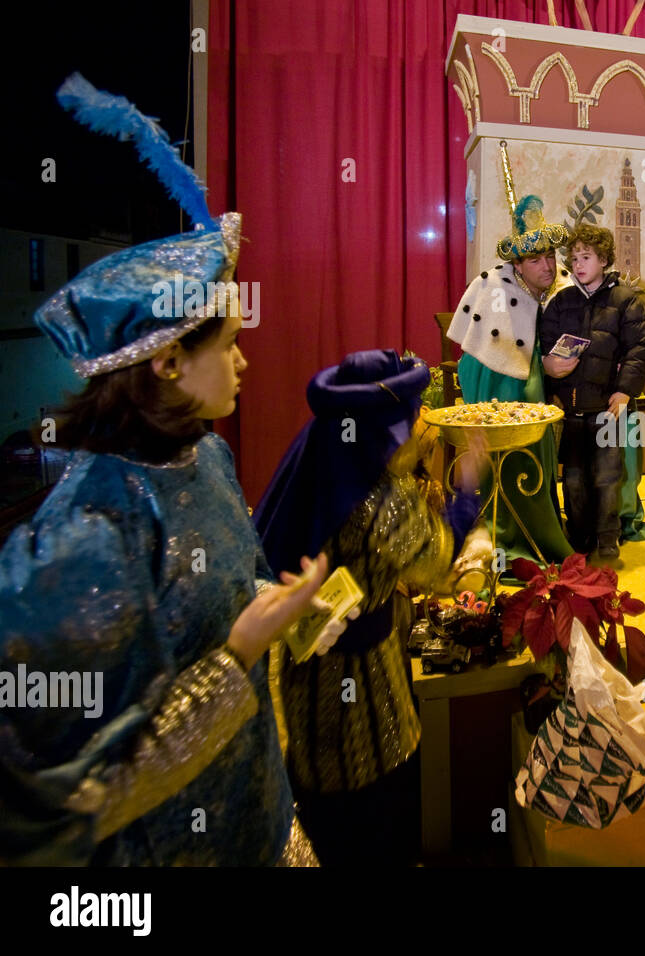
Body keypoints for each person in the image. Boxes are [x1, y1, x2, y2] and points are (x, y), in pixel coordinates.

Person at [0, 74, 347, 866]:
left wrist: (287, 607)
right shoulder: (90, 530)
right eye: (227, 345)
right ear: (165, 362)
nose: (246, 361)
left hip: (262, 814)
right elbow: (89, 792)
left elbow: (231, 592)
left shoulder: (209, 451)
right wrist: (238, 659)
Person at [253, 350, 486, 865]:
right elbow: (434, 564)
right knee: (374, 809)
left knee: (322, 793)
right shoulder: (385, 495)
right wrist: (467, 495)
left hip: (303, 664)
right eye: (413, 411)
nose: (419, 420)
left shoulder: (317, 449)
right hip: (365, 684)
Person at [448, 193, 574, 566]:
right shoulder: (493, 288)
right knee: (510, 448)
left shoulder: (560, 285)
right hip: (496, 382)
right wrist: (538, 370)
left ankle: (539, 527)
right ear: (518, 264)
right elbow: (496, 356)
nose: (548, 265)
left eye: (551, 256)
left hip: (537, 383)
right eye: (536, 259)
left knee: (538, 448)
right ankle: (504, 535)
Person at [540, 224, 645, 560]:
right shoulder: (561, 302)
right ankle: (578, 537)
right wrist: (552, 385)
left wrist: (624, 393)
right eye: (574, 258)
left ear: (603, 259)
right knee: (574, 479)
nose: (578, 264)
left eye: (586, 257)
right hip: (573, 410)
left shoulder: (625, 301)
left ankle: (607, 538)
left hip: (608, 411)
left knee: (607, 477)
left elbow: (640, 349)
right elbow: (546, 348)